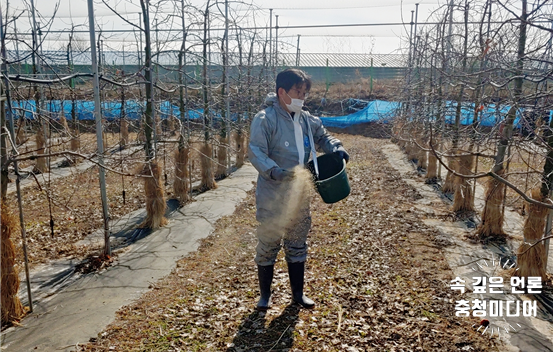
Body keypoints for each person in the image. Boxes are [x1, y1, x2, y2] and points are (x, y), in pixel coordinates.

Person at [248, 68, 349, 310]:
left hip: (299, 193)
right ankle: (265, 295)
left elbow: (323, 137)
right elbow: (256, 151)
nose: (302, 98)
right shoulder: (265, 119)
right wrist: (275, 171)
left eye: (304, 93)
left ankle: (298, 294)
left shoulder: (306, 119)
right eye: (297, 92)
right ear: (281, 91)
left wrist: (336, 147)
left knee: (297, 242)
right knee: (269, 242)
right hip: (272, 193)